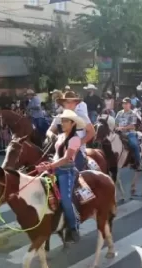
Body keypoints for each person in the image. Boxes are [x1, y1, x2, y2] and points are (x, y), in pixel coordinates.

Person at [37, 109, 86, 243]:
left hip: (66, 171)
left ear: (73, 123)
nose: (62, 123)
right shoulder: (61, 136)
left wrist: (49, 166)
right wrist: (47, 164)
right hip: (55, 168)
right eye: (62, 120)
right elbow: (57, 155)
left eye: (65, 121)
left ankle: (73, 227)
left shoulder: (75, 139)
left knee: (65, 200)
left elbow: (66, 159)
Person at [46, 91, 94, 171]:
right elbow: (49, 131)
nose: (71, 104)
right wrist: (52, 136)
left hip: (77, 151)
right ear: (63, 104)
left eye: (73, 102)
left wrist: (77, 144)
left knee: (73, 172)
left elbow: (92, 132)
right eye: (68, 102)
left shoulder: (82, 116)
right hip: (60, 149)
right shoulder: (59, 117)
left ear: (76, 104)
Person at [115, 98, 142, 171]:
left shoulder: (133, 113)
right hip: (118, 132)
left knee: (134, 145)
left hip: (129, 133)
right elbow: (116, 123)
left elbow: (133, 126)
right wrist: (116, 127)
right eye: (124, 103)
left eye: (126, 103)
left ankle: (138, 163)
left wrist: (122, 128)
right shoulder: (119, 113)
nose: (125, 105)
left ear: (130, 105)